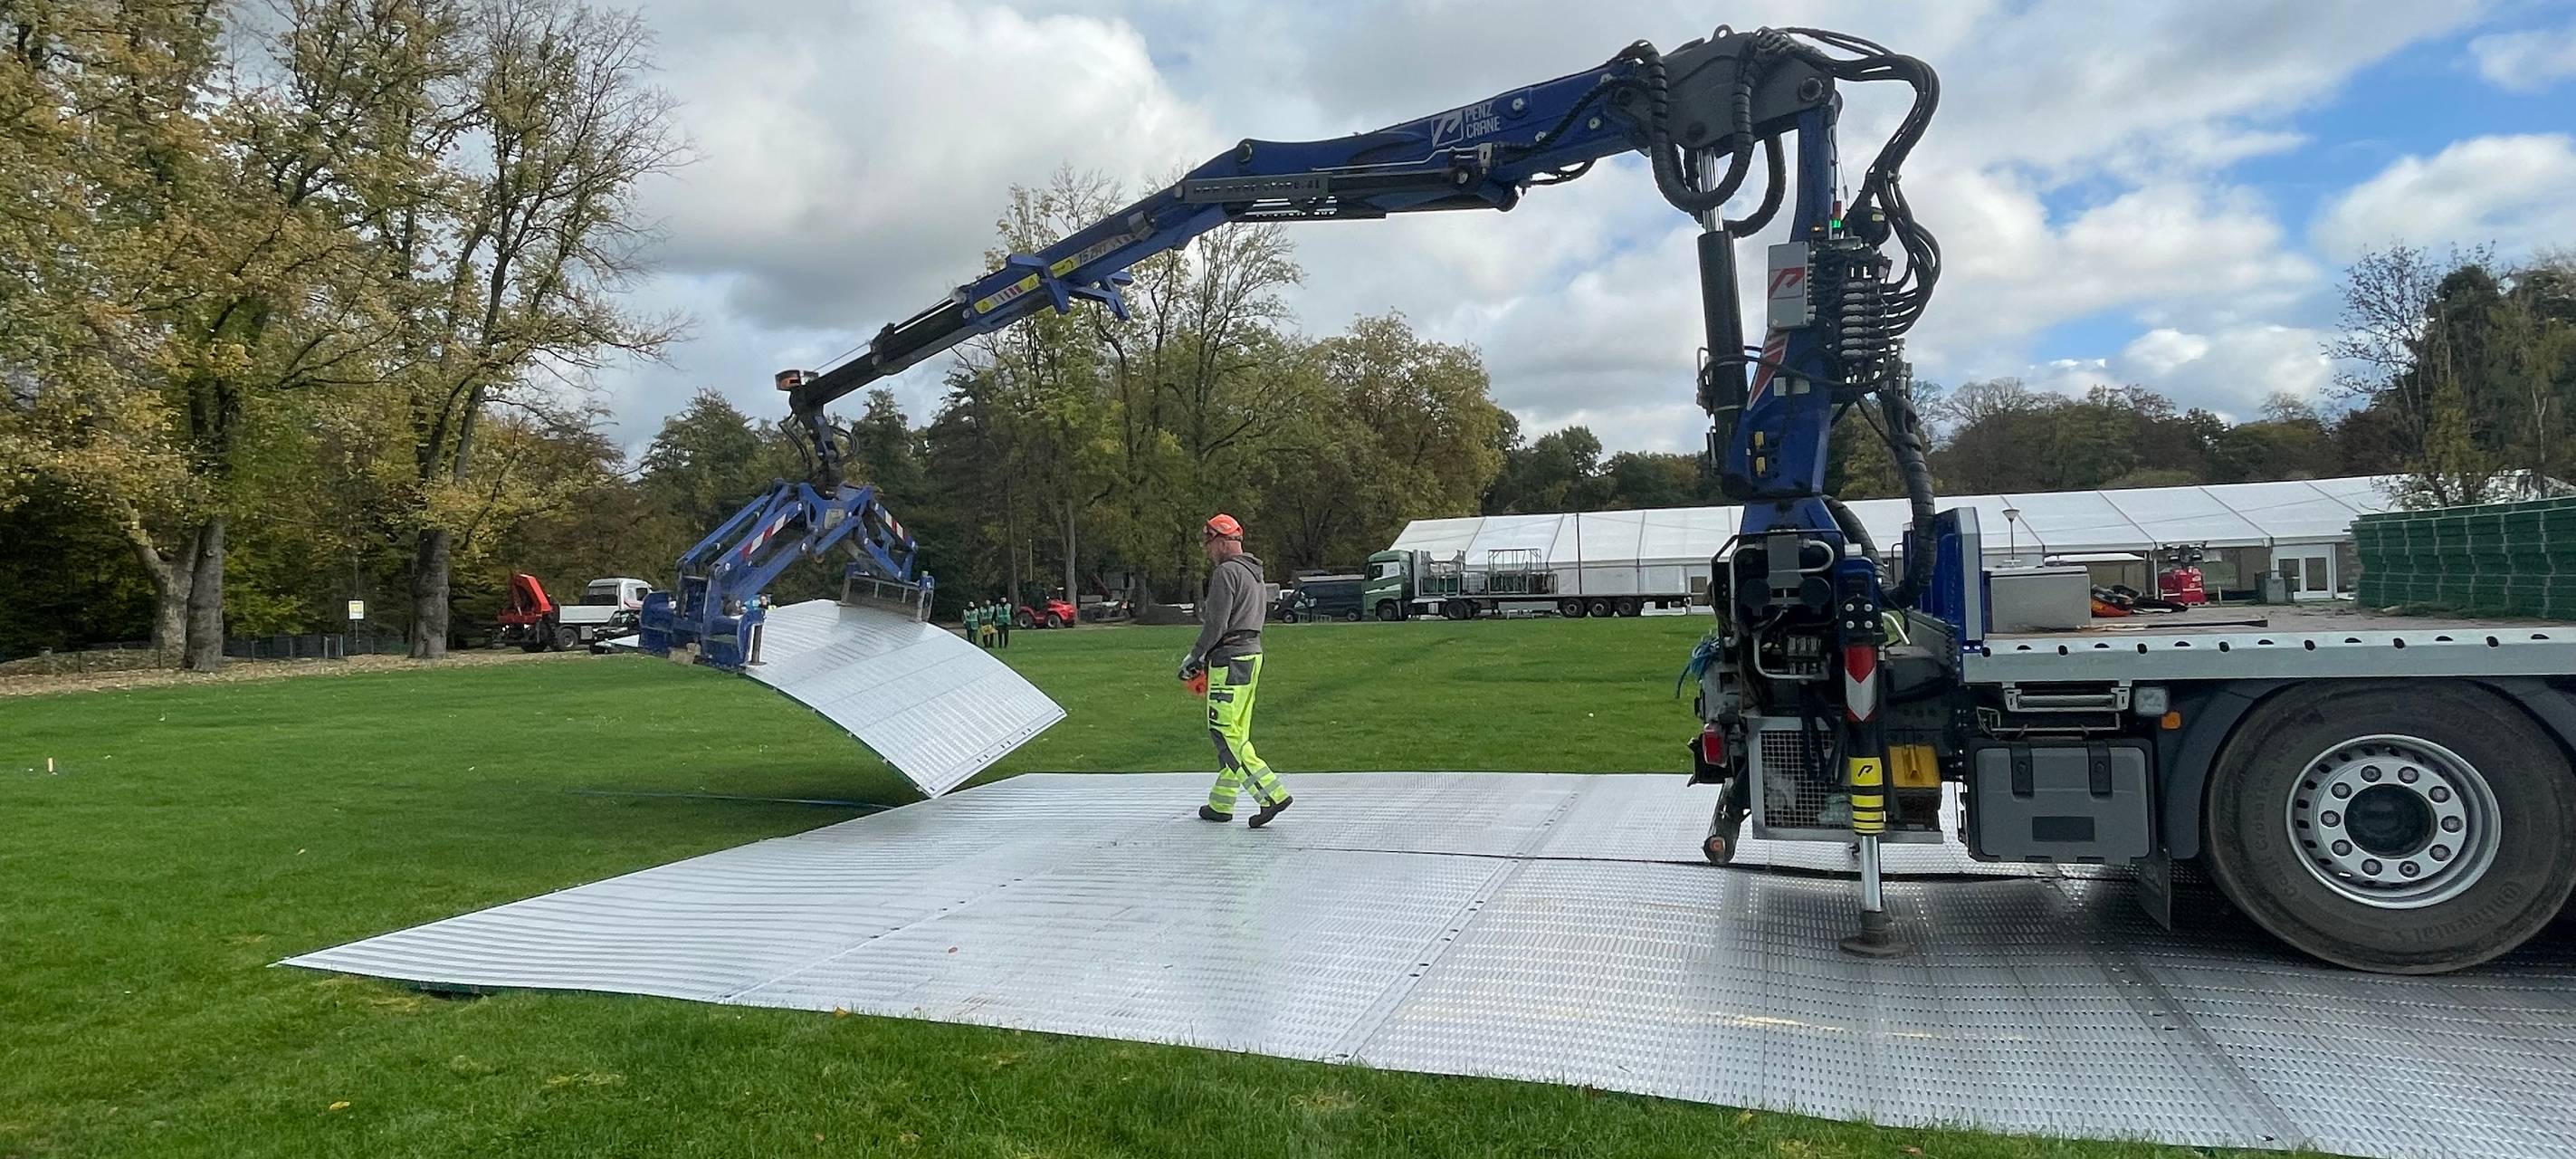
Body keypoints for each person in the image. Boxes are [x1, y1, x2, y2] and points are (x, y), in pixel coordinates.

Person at [1179, 512, 1291, 826]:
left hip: (1229, 659)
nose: (1207, 550)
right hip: (1252, 655)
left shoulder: (1226, 573)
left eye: (1209, 543)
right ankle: (1221, 803)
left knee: (1224, 733)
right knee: (1237, 732)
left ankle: (1272, 796)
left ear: (1222, 541)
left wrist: (1195, 657)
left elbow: (1216, 623)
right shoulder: (1253, 573)